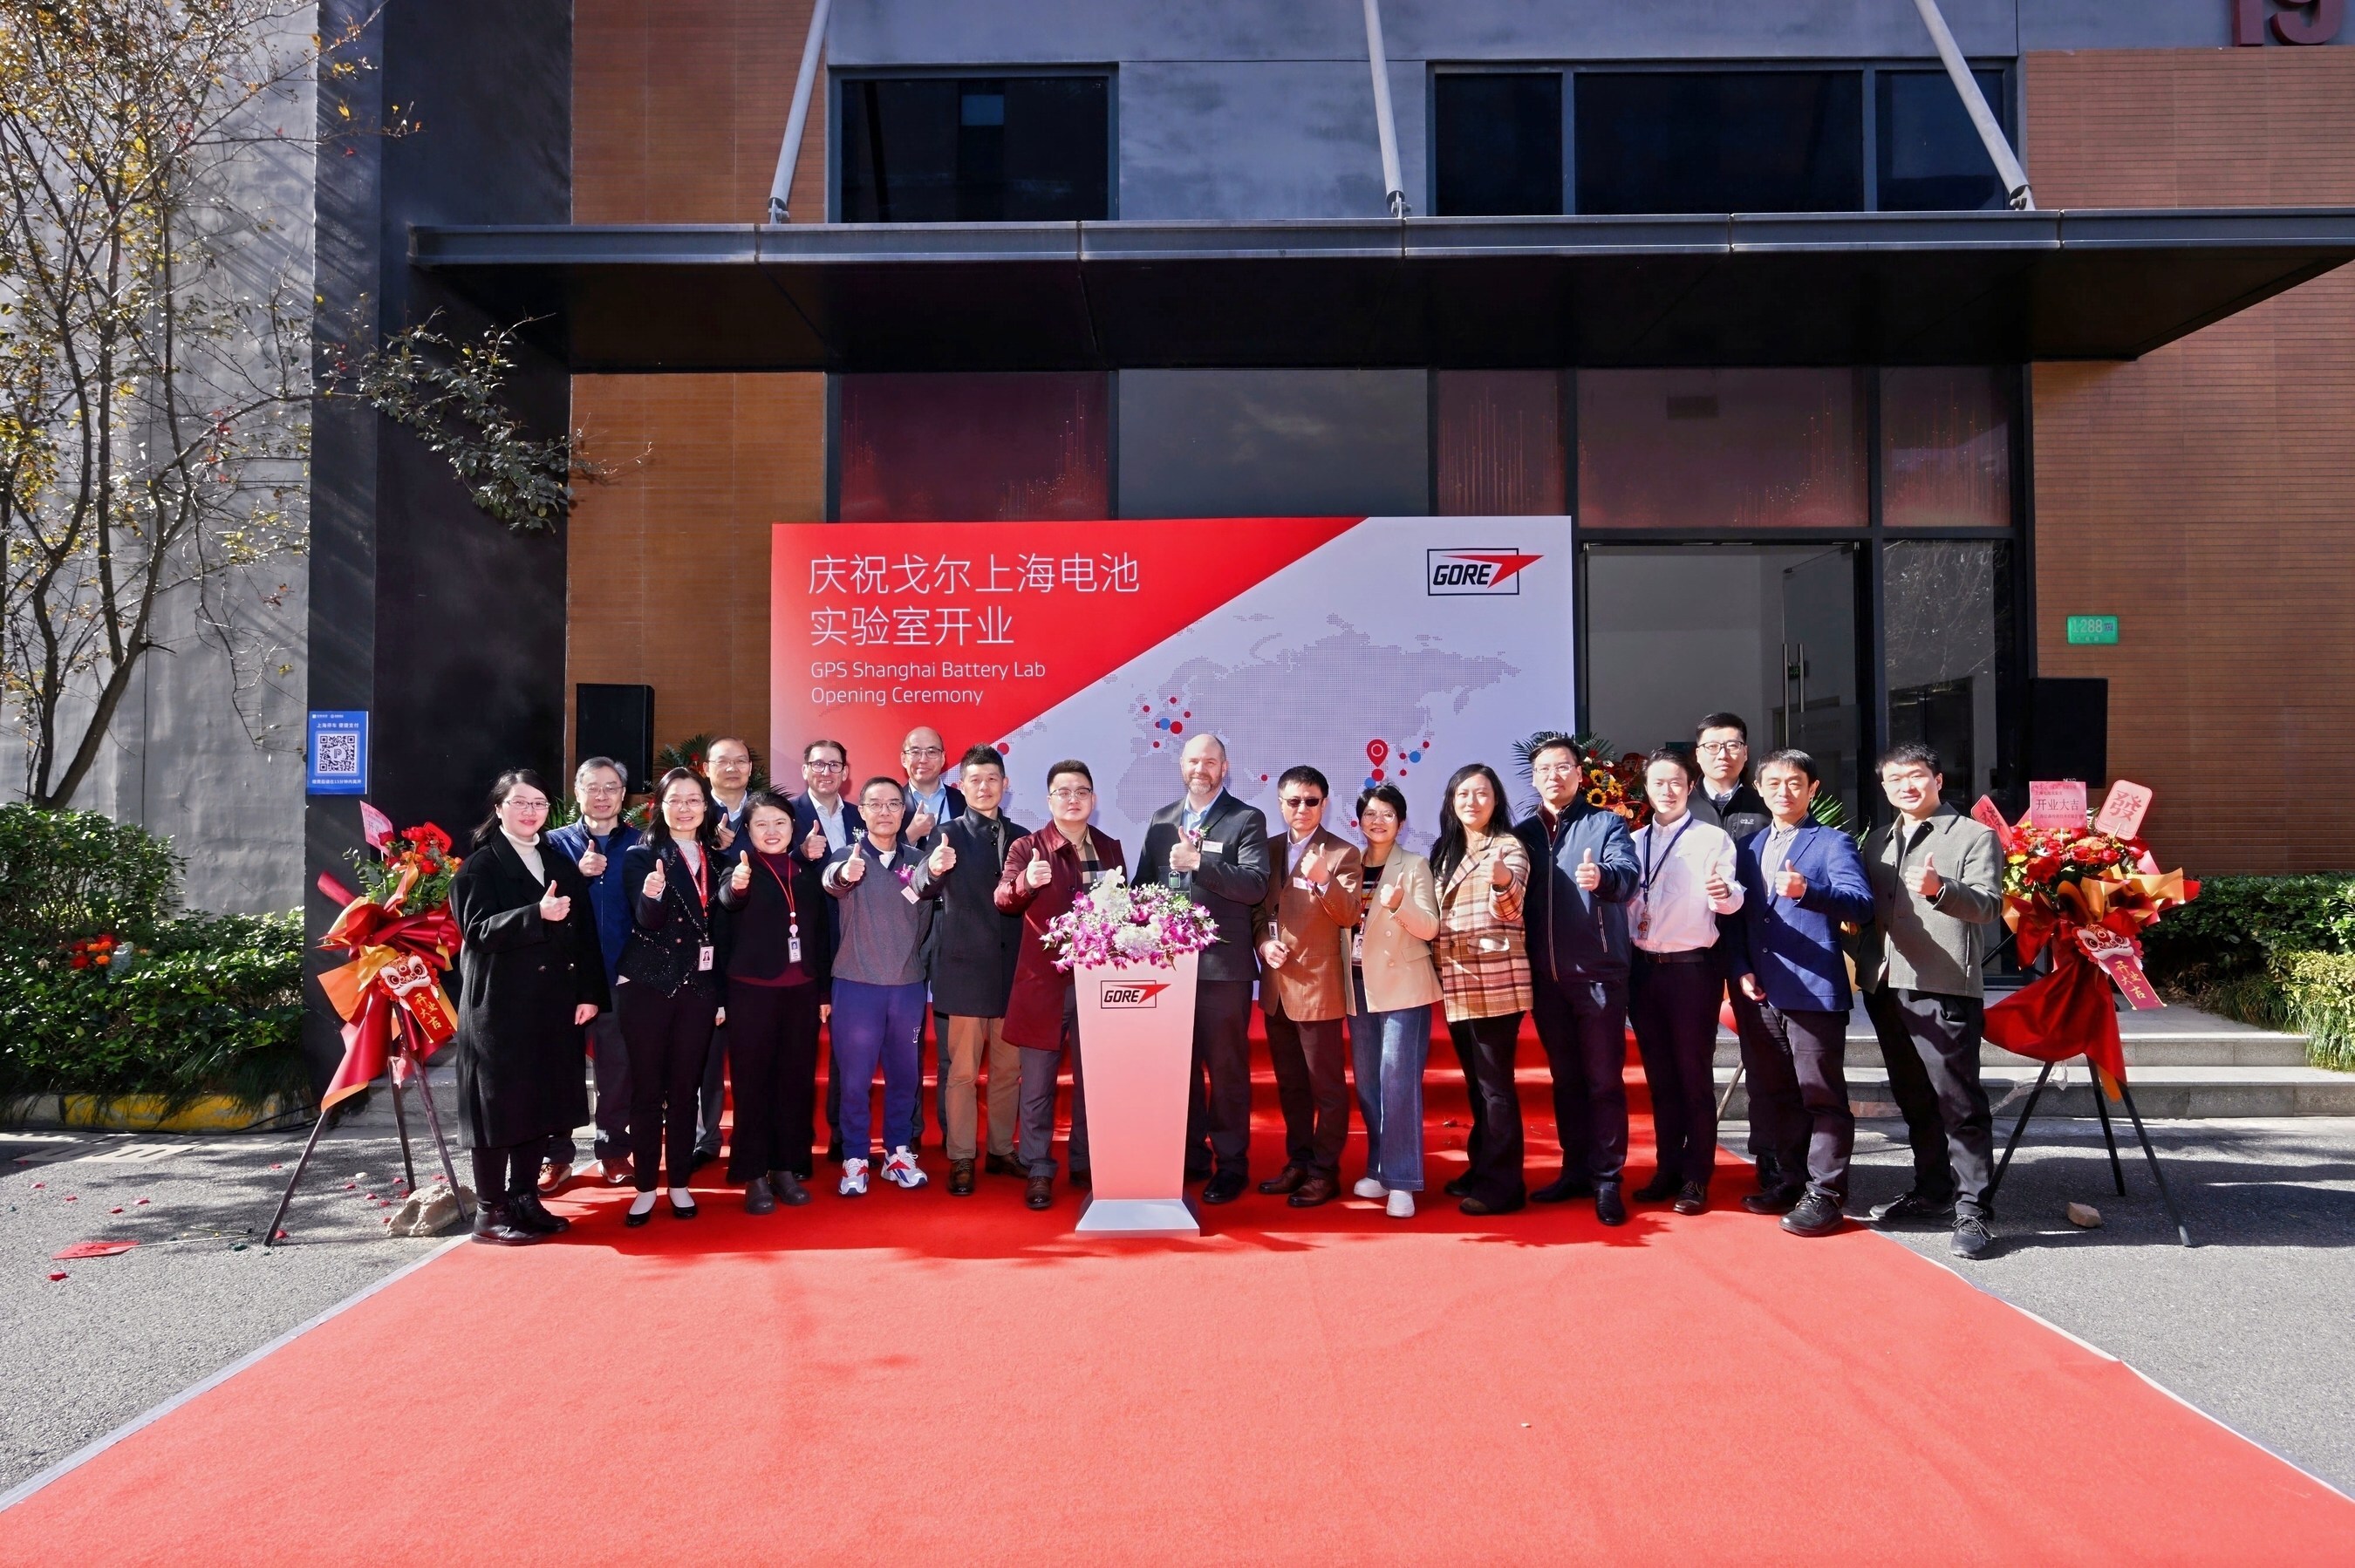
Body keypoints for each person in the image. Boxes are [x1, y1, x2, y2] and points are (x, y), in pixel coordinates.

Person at [1856, 742, 2005, 1260]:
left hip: (1943, 986)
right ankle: (1932, 1191)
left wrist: (1942, 889)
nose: (1907, 786)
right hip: (1885, 986)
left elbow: (1989, 906)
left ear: (1938, 779)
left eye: (1916, 775)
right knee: (1914, 1098)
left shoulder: (1973, 835)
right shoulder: (1877, 841)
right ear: (1884, 787)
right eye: (1895, 779)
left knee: (1958, 1103)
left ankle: (1974, 1210)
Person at [447, 770, 607, 1245]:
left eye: (539, 803)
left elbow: (583, 933)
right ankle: (490, 1211)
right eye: (520, 802)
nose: (530, 811)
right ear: (499, 808)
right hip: (500, 1008)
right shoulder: (479, 866)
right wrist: (534, 914)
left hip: (553, 1004)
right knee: (498, 1109)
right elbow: (476, 930)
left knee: (540, 1104)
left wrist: (589, 993)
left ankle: (524, 1198)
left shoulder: (557, 860)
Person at [1724, 749, 1875, 1238]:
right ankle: (1788, 1180)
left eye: (1794, 783)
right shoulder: (1746, 847)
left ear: (1813, 789)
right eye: (1773, 783)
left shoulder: (1832, 842)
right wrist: (1741, 969)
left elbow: (1861, 904)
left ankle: (1826, 1194)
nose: (1783, 791)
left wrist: (1807, 891)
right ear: (1759, 789)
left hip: (1813, 990)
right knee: (1774, 1093)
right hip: (1759, 992)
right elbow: (1737, 920)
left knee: (1821, 1095)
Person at [1134, 732, 1271, 1207]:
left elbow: (1255, 885)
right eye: (1193, 761)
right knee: (1180, 1068)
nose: (1201, 769)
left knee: (1226, 1069)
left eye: (1210, 762)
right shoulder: (1161, 821)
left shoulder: (1245, 819)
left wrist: (1199, 863)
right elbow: (1143, 889)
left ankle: (1232, 1164)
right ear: (1181, 766)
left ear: (1224, 768)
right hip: (1168, 969)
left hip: (1222, 967)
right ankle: (1191, 1156)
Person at [1512, 734, 1642, 1226]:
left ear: (1579, 774)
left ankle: (1608, 1179)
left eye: (1563, 767)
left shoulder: (1606, 823)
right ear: (1534, 778)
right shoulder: (1522, 834)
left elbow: (1628, 876)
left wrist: (1603, 878)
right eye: (1544, 769)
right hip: (1546, 980)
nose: (1554, 776)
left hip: (1599, 976)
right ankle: (1574, 1170)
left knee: (1604, 1080)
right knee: (1565, 1079)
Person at [994, 760, 1126, 1212]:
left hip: (1098, 982)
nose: (1073, 799)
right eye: (1064, 792)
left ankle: (1086, 1161)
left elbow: (1122, 910)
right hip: (1044, 984)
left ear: (1093, 799)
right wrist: (1025, 883)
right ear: (1049, 800)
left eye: (1082, 791)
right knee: (1037, 1086)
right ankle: (1038, 1167)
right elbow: (1003, 898)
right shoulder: (1027, 847)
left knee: (1095, 1081)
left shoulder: (1109, 848)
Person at [1625, 753, 1744, 1216]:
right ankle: (1667, 1169)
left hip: (1692, 970)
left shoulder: (1711, 839)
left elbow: (1732, 898)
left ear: (1690, 786)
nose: (1667, 790)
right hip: (1643, 971)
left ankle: (1697, 1176)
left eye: (1676, 782)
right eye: (1658, 782)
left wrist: (1725, 894)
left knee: (1693, 1075)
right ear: (1646, 788)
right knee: (1660, 1077)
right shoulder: (1632, 842)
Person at [822, 777, 952, 1195]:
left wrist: (935, 869)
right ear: (861, 811)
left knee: (904, 1077)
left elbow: (925, 885)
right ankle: (856, 1157)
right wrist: (844, 873)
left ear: (904, 811)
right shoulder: (846, 856)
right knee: (855, 1080)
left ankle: (898, 1153)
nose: (884, 812)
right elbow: (833, 880)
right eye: (875, 804)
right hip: (856, 985)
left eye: (893, 804)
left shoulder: (918, 859)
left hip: (907, 985)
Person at [616, 767, 726, 1226]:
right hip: (648, 985)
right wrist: (653, 895)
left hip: (698, 989)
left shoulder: (720, 860)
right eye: (675, 799)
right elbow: (647, 920)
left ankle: (679, 1182)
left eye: (694, 800)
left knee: (685, 1090)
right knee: (647, 1090)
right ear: (659, 806)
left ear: (706, 806)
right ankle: (645, 1186)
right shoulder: (642, 856)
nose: (685, 808)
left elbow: (726, 927)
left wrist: (721, 995)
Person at [715, 789, 834, 1211]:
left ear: (792, 828)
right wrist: (736, 887)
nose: (771, 831)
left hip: (801, 991)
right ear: (747, 830)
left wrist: (823, 991)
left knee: (795, 1082)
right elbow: (728, 903)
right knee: (752, 1084)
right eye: (761, 824)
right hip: (751, 992)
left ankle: (787, 1167)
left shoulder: (805, 872)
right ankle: (753, 1173)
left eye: (779, 823)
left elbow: (820, 934)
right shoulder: (738, 868)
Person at [1253, 766, 1365, 1209]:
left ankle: (1324, 1171)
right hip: (1277, 989)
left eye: (1312, 801)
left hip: (1318, 988)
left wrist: (1323, 879)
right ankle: (1298, 1162)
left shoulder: (1342, 852)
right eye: (1294, 801)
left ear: (1325, 803)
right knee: (1291, 1086)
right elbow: (1257, 913)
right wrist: (1264, 944)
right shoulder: (1266, 849)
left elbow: (1350, 914)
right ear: (1281, 804)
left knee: (1327, 1088)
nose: (1303, 808)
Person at [1430, 763, 1532, 1217]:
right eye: (1463, 794)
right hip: (1456, 983)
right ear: (1451, 802)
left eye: (1482, 793)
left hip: (1495, 983)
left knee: (1496, 1089)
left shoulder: (1508, 846)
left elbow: (1510, 909)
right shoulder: (1445, 850)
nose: (1472, 802)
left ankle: (1504, 1185)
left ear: (1496, 800)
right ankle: (1482, 1167)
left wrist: (1502, 881)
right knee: (1477, 1085)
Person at [926, 744, 1030, 1195]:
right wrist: (932, 871)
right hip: (965, 973)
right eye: (975, 780)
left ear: (1005, 785)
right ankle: (962, 1156)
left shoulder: (1025, 837)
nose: (984, 787)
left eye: (992, 779)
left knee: (1008, 1071)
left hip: (1013, 974)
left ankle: (1002, 1150)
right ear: (961, 786)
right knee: (963, 1073)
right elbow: (923, 885)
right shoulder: (945, 835)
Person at [1685, 711, 1781, 1194]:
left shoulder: (1767, 802)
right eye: (1713, 746)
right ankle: (1691, 1163)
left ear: (1746, 752)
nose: (1723, 754)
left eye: (1733, 745)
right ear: (1697, 754)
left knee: (1763, 1055)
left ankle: (1771, 1157)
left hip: (1756, 947)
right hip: (1691, 949)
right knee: (1691, 1057)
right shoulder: (1678, 805)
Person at [1346, 783, 1442, 1220]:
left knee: (1397, 1082)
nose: (1378, 820)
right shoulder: (1348, 865)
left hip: (1403, 985)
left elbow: (1430, 928)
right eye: (1370, 813)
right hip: (1358, 985)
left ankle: (1402, 1181)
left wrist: (1400, 905)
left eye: (1387, 813)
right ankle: (1380, 1169)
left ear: (1401, 822)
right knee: (1369, 1084)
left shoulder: (1415, 865)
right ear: (1359, 821)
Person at [544, 756, 638, 1188]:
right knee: (558, 1068)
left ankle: (614, 1150)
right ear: (578, 792)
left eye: (611, 787)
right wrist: (576, 877)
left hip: (620, 975)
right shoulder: (550, 844)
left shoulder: (641, 845)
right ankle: (556, 1155)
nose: (602, 796)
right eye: (592, 787)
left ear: (624, 795)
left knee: (617, 1070)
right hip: (564, 978)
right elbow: (537, 904)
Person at [792, 739, 864, 1165]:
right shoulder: (788, 815)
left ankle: (842, 1134)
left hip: (852, 940)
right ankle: (797, 1142)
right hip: (801, 943)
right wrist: (801, 855)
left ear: (845, 772)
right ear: (804, 770)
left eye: (834, 765)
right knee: (799, 1046)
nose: (826, 772)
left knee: (846, 1046)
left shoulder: (860, 817)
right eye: (818, 764)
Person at [690, 736, 757, 1172]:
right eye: (722, 761)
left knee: (754, 1054)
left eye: (740, 760)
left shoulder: (765, 811)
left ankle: (756, 1135)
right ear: (706, 768)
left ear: (751, 767)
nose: (732, 768)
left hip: (757, 948)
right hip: (704, 949)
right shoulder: (692, 812)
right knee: (706, 1054)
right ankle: (706, 1137)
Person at [897, 725, 964, 1158]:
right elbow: (879, 864)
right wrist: (910, 836)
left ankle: (952, 1129)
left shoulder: (963, 800)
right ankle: (909, 1130)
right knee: (908, 1038)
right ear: (903, 758)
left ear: (944, 758)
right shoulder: (886, 802)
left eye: (932, 751)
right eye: (915, 752)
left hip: (955, 926)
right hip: (906, 927)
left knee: (951, 1038)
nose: (923, 759)